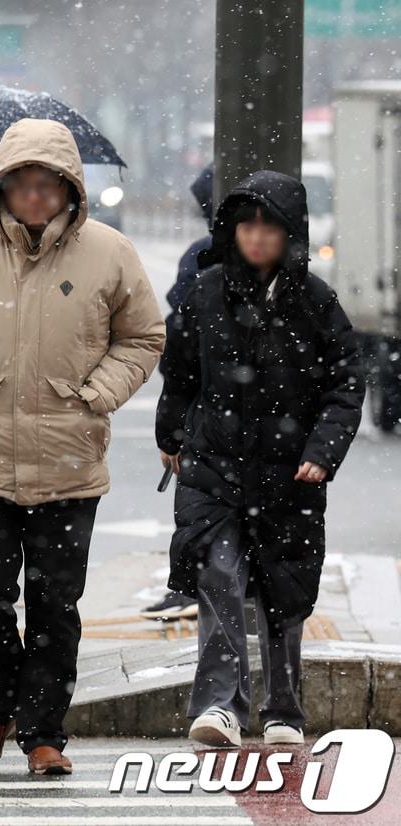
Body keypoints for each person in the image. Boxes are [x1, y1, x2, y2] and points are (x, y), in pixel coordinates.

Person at [0, 119, 164, 775]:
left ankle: (44, 733)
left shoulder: (109, 252)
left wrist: (98, 391)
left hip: (69, 464)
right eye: (24, 183)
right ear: (4, 187)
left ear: (69, 188)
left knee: (55, 606)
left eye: (50, 184)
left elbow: (142, 336)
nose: (37, 196)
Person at [156, 171, 363, 749]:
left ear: (289, 233)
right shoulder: (206, 292)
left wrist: (321, 453)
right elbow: (180, 373)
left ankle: (283, 711)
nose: (257, 237)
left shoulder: (317, 302)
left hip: (289, 476)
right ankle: (220, 705)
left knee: (285, 591)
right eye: (247, 224)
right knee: (217, 575)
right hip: (212, 468)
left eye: (270, 226)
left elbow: (346, 385)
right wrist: (171, 437)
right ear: (232, 230)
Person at [142, 163, 215, 623]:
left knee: (195, 511)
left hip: (205, 414)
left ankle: (190, 585)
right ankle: (197, 585)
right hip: (215, 413)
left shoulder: (200, 255)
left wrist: (173, 431)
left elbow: (177, 335)